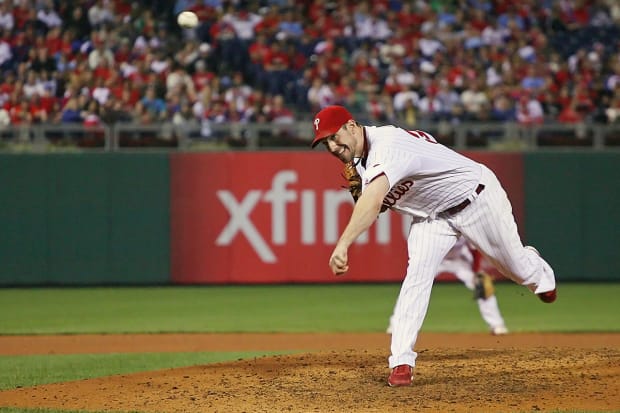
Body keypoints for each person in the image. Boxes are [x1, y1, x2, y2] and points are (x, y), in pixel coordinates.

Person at [310, 105, 557, 387]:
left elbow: (373, 202)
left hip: (475, 197)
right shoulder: (361, 162)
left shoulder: (387, 144)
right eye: (325, 142)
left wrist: (343, 243)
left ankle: (538, 270)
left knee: (517, 270)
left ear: (351, 126)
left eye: (333, 136)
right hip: (432, 219)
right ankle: (401, 361)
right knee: (416, 278)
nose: (331, 145)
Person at [386, 237, 509, 336]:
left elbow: (475, 249)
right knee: (412, 288)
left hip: (459, 260)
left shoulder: (463, 220)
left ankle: (497, 325)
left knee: (482, 285)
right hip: (435, 261)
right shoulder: (434, 224)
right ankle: (396, 325)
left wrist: (477, 272)